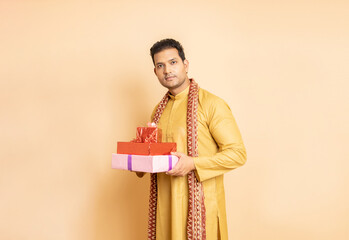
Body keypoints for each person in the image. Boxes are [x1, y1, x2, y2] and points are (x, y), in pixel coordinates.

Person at [137, 38, 247, 240]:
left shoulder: (211, 104)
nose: (167, 70)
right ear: (155, 72)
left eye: (173, 62)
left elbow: (237, 154)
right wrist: (138, 157)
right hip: (166, 211)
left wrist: (193, 164)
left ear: (185, 65)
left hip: (200, 210)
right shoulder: (158, 112)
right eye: (160, 66)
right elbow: (154, 157)